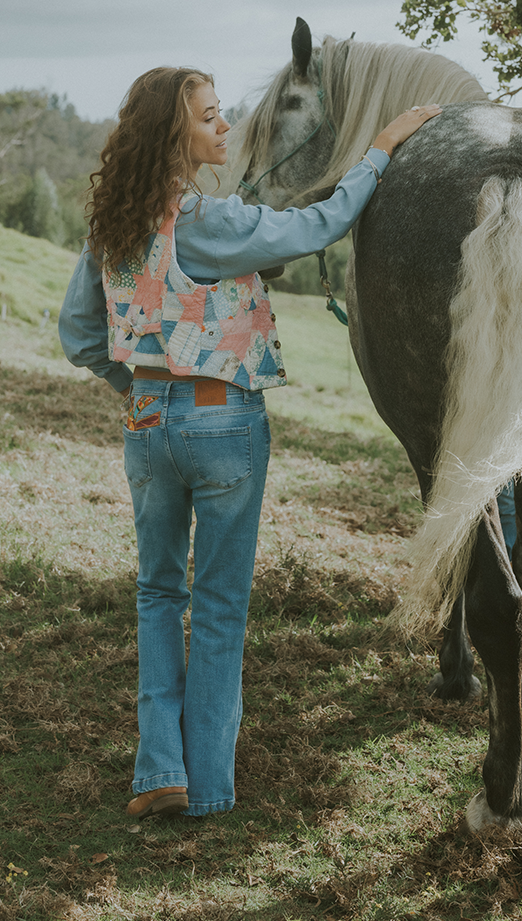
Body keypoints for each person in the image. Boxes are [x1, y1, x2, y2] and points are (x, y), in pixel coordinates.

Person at [59, 66, 441, 819]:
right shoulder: (206, 219)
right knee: (221, 603)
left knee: (157, 595)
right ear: (178, 134)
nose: (225, 128)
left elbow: (79, 335)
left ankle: (158, 771)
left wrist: (145, 392)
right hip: (222, 422)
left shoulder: (112, 223)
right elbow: (316, 226)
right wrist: (382, 147)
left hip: (145, 424)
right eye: (211, 117)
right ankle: (207, 789)